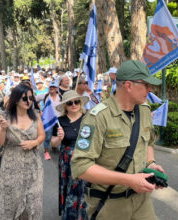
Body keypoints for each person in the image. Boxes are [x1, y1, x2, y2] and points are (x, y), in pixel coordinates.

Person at [71, 60, 166, 220]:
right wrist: (129, 180)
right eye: (146, 85)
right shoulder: (98, 117)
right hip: (109, 204)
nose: (150, 89)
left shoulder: (144, 110)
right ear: (128, 85)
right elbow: (81, 167)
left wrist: (150, 164)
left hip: (142, 203)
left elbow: (148, 143)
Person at [0, 84, 45, 219]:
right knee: (10, 203)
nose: (29, 101)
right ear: (15, 99)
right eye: (24, 98)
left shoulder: (36, 116)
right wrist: (4, 129)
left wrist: (34, 142)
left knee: (33, 202)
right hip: (11, 166)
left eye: (31, 98)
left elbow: (41, 135)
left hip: (33, 165)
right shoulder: (2, 117)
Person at [51, 90, 89, 220]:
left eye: (76, 101)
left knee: (84, 189)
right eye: (70, 103)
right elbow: (54, 144)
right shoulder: (60, 121)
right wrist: (59, 138)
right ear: (65, 106)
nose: (74, 104)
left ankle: (83, 216)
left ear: (81, 103)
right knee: (70, 190)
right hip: (67, 161)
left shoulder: (89, 118)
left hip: (86, 158)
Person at [36, 80, 62, 160]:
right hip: (48, 120)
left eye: (54, 87)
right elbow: (34, 100)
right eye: (51, 87)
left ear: (57, 88)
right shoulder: (45, 96)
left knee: (59, 135)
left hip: (59, 119)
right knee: (48, 136)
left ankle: (56, 148)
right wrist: (39, 111)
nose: (52, 88)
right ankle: (46, 151)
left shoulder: (61, 97)